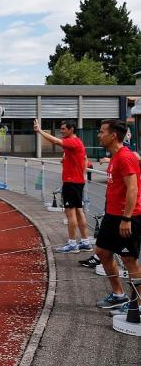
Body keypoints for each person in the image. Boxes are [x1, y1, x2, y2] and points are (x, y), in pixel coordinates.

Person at [93, 119, 141, 311]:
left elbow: (133, 189)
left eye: (102, 131)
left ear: (113, 136)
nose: (98, 134)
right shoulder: (115, 156)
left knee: (129, 260)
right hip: (111, 216)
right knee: (103, 253)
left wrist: (126, 218)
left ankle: (137, 306)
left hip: (127, 217)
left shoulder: (125, 157)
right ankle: (118, 295)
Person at [33, 119, 91, 253]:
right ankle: (85, 242)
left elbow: (55, 141)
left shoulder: (72, 141)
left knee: (70, 213)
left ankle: (72, 244)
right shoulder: (77, 142)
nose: (61, 131)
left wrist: (39, 131)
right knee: (78, 211)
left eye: (64, 129)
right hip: (77, 181)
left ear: (71, 130)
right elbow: (84, 158)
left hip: (71, 182)